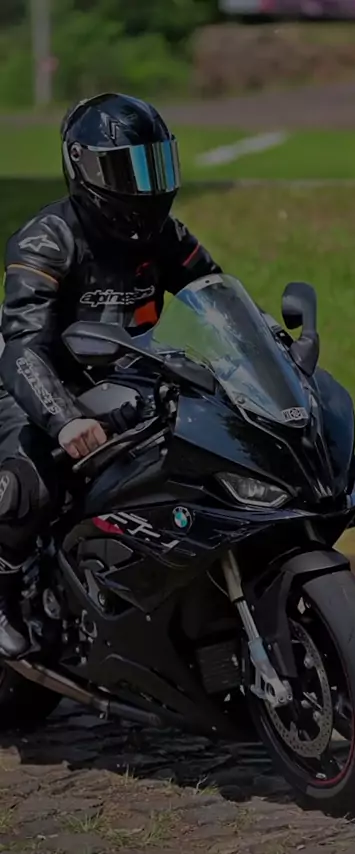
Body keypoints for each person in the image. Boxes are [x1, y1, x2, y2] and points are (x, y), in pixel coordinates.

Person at [0, 93, 222, 659]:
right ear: (84, 168)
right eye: (128, 170)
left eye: (154, 166)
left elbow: (218, 298)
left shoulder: (165, 234)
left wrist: (270, 349)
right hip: (38, 385)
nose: (145, 186)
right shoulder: (47, 239)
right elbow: (23, 346)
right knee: (28, 489)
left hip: (126, 384)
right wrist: (63, 419)